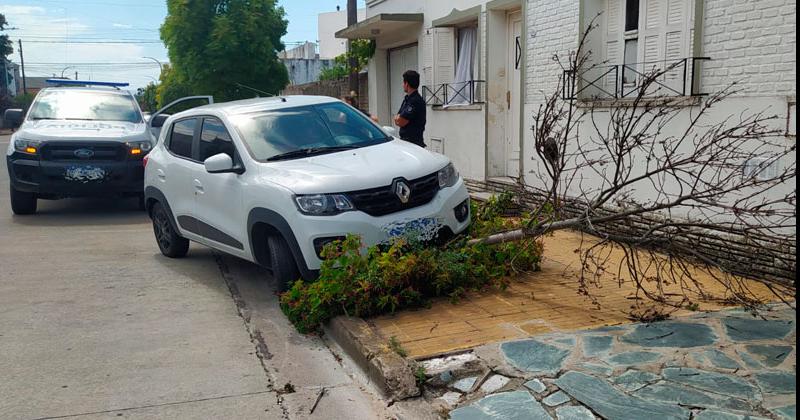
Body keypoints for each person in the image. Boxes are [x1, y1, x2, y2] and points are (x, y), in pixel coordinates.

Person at [394, 70, 426, 147]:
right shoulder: (407, 99)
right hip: (407, 142)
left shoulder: (415, 101)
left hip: (413, 143)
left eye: (403, 83)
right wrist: (398, 118)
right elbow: (397, 118)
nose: (402, 85)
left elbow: (400, 121)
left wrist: (398, 118)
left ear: (407, 84)